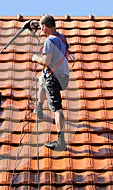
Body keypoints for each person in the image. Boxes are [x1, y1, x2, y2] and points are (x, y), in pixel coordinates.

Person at [31, 15, 69, 150]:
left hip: (54, 78)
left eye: (41, 27)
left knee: (57, 108)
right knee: (42, 79)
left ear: (45, 27)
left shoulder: (49, 41)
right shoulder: (62, 38)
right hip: (64, 77)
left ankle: (61, 141)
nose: (41, 29)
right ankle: (39, 108)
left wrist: (36, 58)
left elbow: (45, 61)